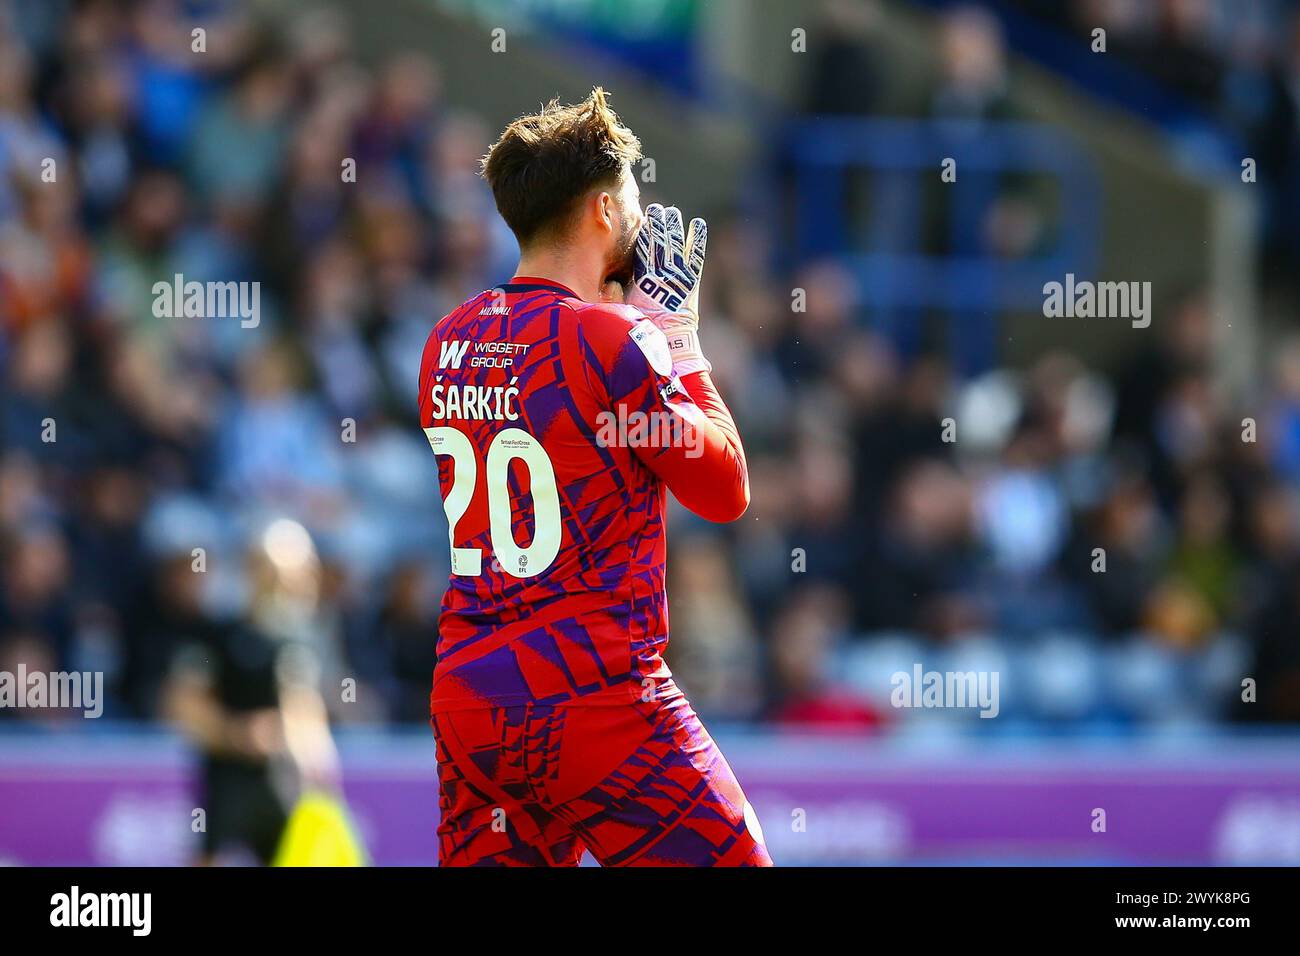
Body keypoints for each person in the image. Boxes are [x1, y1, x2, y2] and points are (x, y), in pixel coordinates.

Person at [417, 88, 771, 866]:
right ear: (605, 211)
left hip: (471, 695)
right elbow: (724, 488)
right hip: (593, 695)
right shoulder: (617, 340)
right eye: (637, 205)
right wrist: (678, 337)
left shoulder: (445, 341)